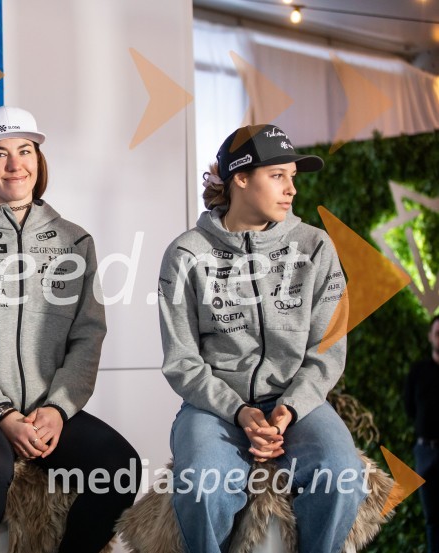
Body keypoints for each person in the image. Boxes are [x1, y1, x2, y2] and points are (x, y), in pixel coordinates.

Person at [0, 106, 140, 553]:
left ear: (39, 162)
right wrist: (1, 412)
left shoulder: (74, 240)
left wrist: (59, 409)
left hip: (48, 410)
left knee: (120, 466)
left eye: (25, 151)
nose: (15, 164)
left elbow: (88, 334)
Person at [157, 124, 367, 553]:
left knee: (343, 474)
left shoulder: (316, 246)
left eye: (293, 177)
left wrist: (289, 408)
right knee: (202, 486)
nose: (291, 189)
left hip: (299, 401)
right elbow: (182, 359)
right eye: (278, 176)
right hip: (213, 407)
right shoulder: (186, 253)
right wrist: (239, 413)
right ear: (240, 177)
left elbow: (327, 348)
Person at [405, 314, 439, 552]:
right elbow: (409, 407)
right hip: (427, 452)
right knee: (433, 519)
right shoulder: (418, 371)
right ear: (430, 336)